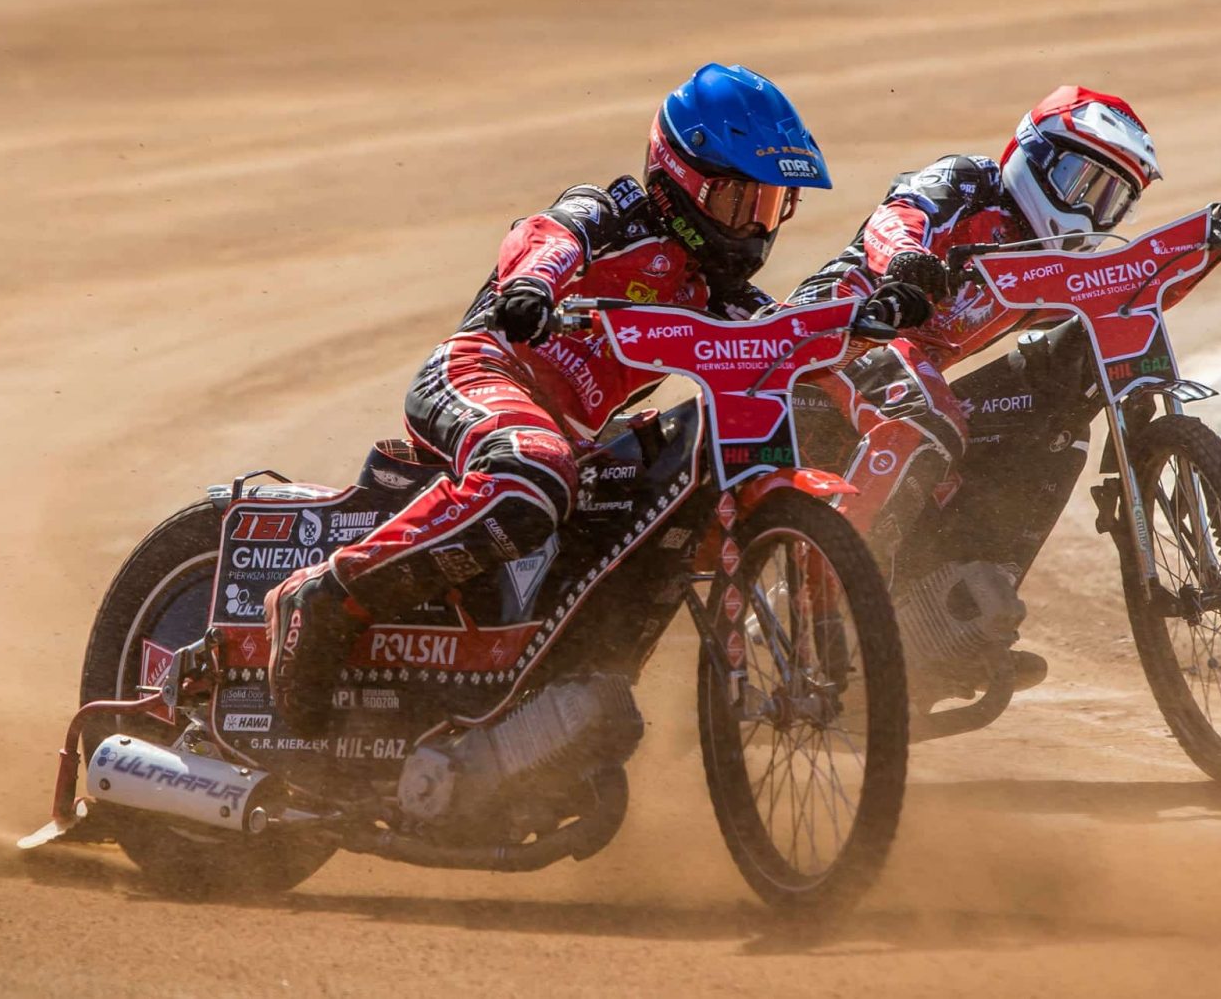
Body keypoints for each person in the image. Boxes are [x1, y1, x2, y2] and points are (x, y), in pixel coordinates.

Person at [267, 63, 833, 733]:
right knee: (533, 471)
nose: (756, 228)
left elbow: (791, 342)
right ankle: (327, 596)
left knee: (671, 489)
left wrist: (876, 326)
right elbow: (546, 237)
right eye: (740, 202)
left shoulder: (720, 295)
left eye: (771, 206)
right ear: (681, 180)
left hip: (573, 438)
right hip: (482, 370)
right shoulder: (612, 214)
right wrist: (532, 287)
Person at [787, 85, 1221, 691]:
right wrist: (907, 259)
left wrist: (1215, 240)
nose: (1091, 213)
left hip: (904, 376)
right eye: (1082, 183)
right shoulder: (969, 182)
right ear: (1033, 156)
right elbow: (897, 216)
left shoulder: (1051, 264)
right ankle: (825, 599)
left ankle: (951, 614)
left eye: (1111, 200)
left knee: (1063, 402)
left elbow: (1130, 291)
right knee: (928, 414)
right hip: (825, 348)